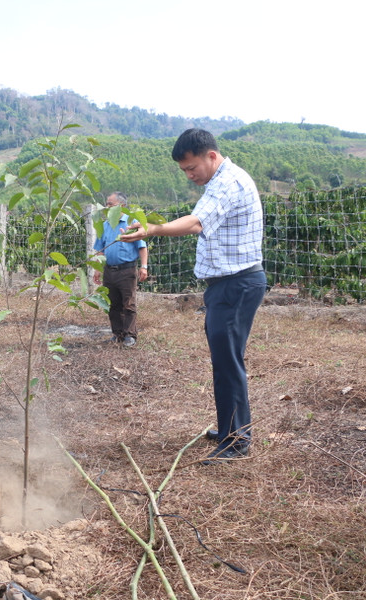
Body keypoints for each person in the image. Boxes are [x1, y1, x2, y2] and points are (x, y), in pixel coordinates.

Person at [121, 128, 265, 465]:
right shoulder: (219, 181)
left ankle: (236, 441)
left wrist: (152, 229)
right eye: (184, 171)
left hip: (236, 284)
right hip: (227, 286)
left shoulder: (228, 183)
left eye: (191, 168)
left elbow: (197, 223)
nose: (189, 176)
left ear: (211, 156)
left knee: (228, 363)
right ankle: (230, 428)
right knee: (226, 360)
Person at [93, 192, 148, 348]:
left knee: (128, 303)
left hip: (127, 270)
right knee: (112, 303)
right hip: (109, 271)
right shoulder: (104, 226)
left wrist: (144, 267)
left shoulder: (132, 224)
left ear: (122, 206)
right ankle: (117, 334)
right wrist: (98, 269)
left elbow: (142, 247)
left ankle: (130, 336)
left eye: (110, 204)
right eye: (107, 204)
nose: (107, 207)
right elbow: (100, 249)